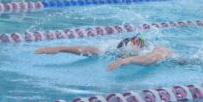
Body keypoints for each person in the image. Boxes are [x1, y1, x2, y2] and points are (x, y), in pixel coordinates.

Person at [35, 34, 180, 71]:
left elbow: (151, 59)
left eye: (127, 55)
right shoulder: (118, 45)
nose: (122, 56)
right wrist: (60, 48)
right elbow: (91, 50)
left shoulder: (157, 50)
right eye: (123, 55)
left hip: (180, 63)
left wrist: (126, 61)